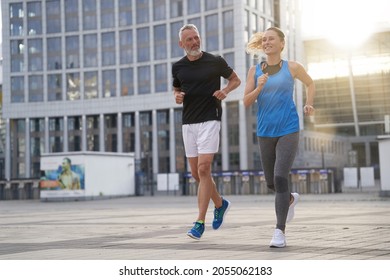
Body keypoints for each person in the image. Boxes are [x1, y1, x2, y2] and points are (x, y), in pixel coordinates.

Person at [243, 27, 315, 248]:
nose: (266, 42)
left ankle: (279, 232)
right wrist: (259, 87)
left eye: (271, 39)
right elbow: (246, 101)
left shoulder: (292, 67)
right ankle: (290, 199)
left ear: (281, 43)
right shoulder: (254, 71)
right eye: (263, 40)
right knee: (272, 183)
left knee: (281, 177)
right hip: (265, 132)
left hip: (288, 129)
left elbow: (310, 83)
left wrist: (309, 103)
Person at [172, 24, 241, 240]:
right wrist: (177, 96)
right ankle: (220, 204)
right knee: (197, 174)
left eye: (196, 37)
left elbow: (235, 79)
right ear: (181, 44)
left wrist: (225, 90)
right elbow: (177, 87)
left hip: (210, 120)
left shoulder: (215, 61)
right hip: (188, 123)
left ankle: (199, 223)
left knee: (204, 169)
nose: (194, 42)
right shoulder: (178, 67)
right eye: (189, 40)